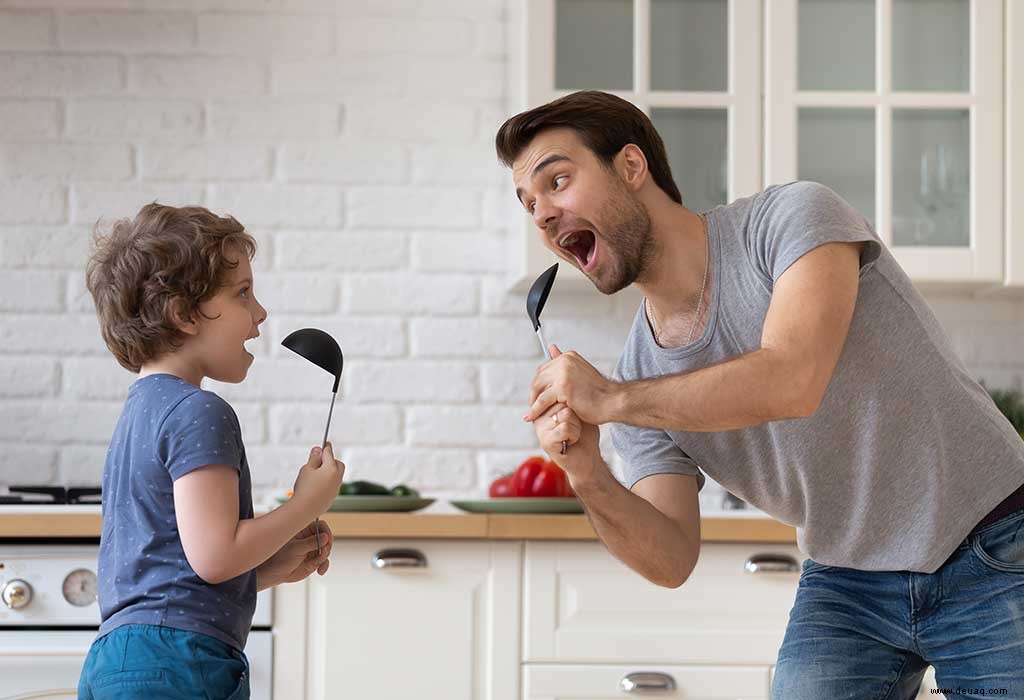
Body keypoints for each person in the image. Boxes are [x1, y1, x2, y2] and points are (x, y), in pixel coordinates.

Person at [497, 90, 1024, 698]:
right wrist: (585, 470)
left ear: (632, 168)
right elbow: (670, 558)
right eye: (529, 203)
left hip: (993, 541)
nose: (541, 214)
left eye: (558, 181)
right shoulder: (637, 371)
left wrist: (613, 401)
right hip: (848, 576)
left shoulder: (791, 220)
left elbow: (792, 378)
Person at [77, 204, 344, 700]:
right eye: (242, 292)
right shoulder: (199, 411)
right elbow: (217, 557)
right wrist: (307, 503)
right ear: (182, 313)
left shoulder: (138, 415)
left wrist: (267, 569)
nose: (260, 313)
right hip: (176, 665)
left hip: (120, 661)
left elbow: (177, 577)